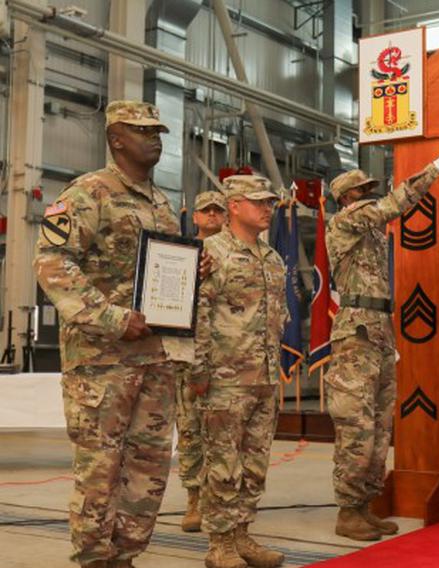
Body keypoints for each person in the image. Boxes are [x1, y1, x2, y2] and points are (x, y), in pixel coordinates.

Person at [34, 100, 194, 568]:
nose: (155, 138)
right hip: (102, 361)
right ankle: (93, 560)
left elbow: (160, 270)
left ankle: (125, 556)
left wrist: (192, 270)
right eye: (141, 131)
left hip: (156, 358)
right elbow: (51, 263)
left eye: (158, 131)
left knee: (148, 466)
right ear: (116, 138)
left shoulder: (161, 202)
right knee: (101, 468)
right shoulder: (87, 193)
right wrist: (113, 318)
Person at [325, 146, 439, 541]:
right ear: (346, 199)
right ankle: (348, 509)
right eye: (361, 191)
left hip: (379, 331)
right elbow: (393, 205)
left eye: (369, 189)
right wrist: (435, 168)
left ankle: (365, 504)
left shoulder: (370, 232)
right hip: (356, 335)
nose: (368, 195)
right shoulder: (346, 222)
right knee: (355, 426)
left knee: (379, 426)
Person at [191, 175, 288, 568]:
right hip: (224, 378)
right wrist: (198, 371)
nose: (267, 209)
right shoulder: (210, 254)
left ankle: (242, 535)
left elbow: (278, 317)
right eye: (258, 201)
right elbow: (197, 314)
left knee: (254, 465)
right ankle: (220, 545)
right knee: (222, 465)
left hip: (264, 377)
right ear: (233, 206)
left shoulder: (273, 258)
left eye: (269, 203)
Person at [177, 190, 227, 533]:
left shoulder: (235, 253)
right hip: (190, 353)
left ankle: (221, 499)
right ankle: (194, 498)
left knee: (225, 433)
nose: (211, 216)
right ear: (194, 217)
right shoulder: (179, 254)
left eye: (217, 211)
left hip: (228, 355)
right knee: (191, 429)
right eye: (205, 211)